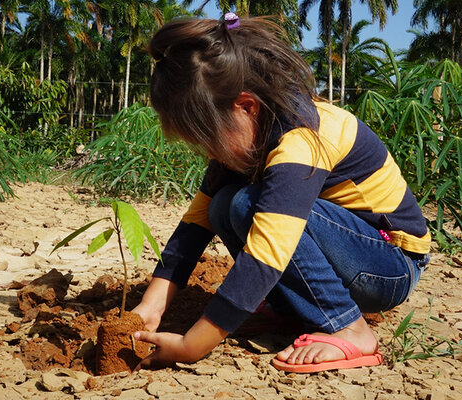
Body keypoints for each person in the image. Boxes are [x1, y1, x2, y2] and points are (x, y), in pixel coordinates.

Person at [132, 13, 430, 373]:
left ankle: (350, 328)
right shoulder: (252, 134)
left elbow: (269, 250)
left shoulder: (303, 139)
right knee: (223, 205)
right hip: (348, 253)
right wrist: (152, 305)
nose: (209, 153)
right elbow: (194, 225)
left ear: (245, 106)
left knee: (248, 204)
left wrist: (192, 345)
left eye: (208, 139)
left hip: (390, 264)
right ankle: (288, 308)